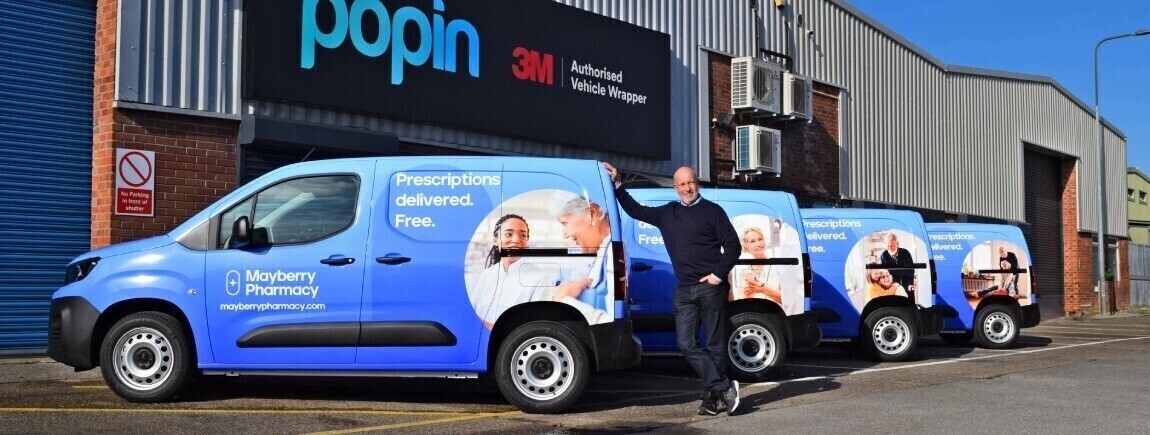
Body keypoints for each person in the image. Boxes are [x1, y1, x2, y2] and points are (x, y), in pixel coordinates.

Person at [604, 162, 742, 417]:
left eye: (690, 182)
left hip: (711, 288)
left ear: (697, 183)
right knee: (686, 344)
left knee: (715, 345)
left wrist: (716, 276)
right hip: (684, 289)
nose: (687, 188)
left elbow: (734, 246)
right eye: (682, 184)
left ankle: (710, 400)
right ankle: (724, 387)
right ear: (675, 187)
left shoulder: (713, 212)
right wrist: (618, 184)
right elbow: (635, 210)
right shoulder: (668, 213)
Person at [467, 214, 558, 329]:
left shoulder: (540, 278)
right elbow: (471, 311)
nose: (516, 240)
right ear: (496, 240)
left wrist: (484, 325)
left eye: (523, 235)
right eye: (508, 234)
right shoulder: (487, 274)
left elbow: (536, 327)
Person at [548, 193, 612, 323]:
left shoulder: (612, 252)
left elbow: (612, 325)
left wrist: (564, 302)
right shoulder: (604, 252)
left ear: (592, 214)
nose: (565, 234)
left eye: (565, 223)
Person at [733, 226, 783, 305]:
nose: (758, 244)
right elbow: (740, 302)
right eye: (752, 241)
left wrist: (763, 289)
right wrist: (747, 296)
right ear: (746, 247)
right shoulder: (744, 271)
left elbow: (788, 299)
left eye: (760, 239)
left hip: (776, 312)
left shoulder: (778, 266)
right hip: (754, 312)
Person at [880, 233, 916, 300]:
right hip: (893, 282)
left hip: (907, 280)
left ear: (897, 244)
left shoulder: (905, 252)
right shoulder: (883, 255)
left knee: (909, 297)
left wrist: (893, 270)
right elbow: (885, 272)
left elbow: (910, 270)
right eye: (888, 246)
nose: (890, 248)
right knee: (896, 299)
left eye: (892, 246)